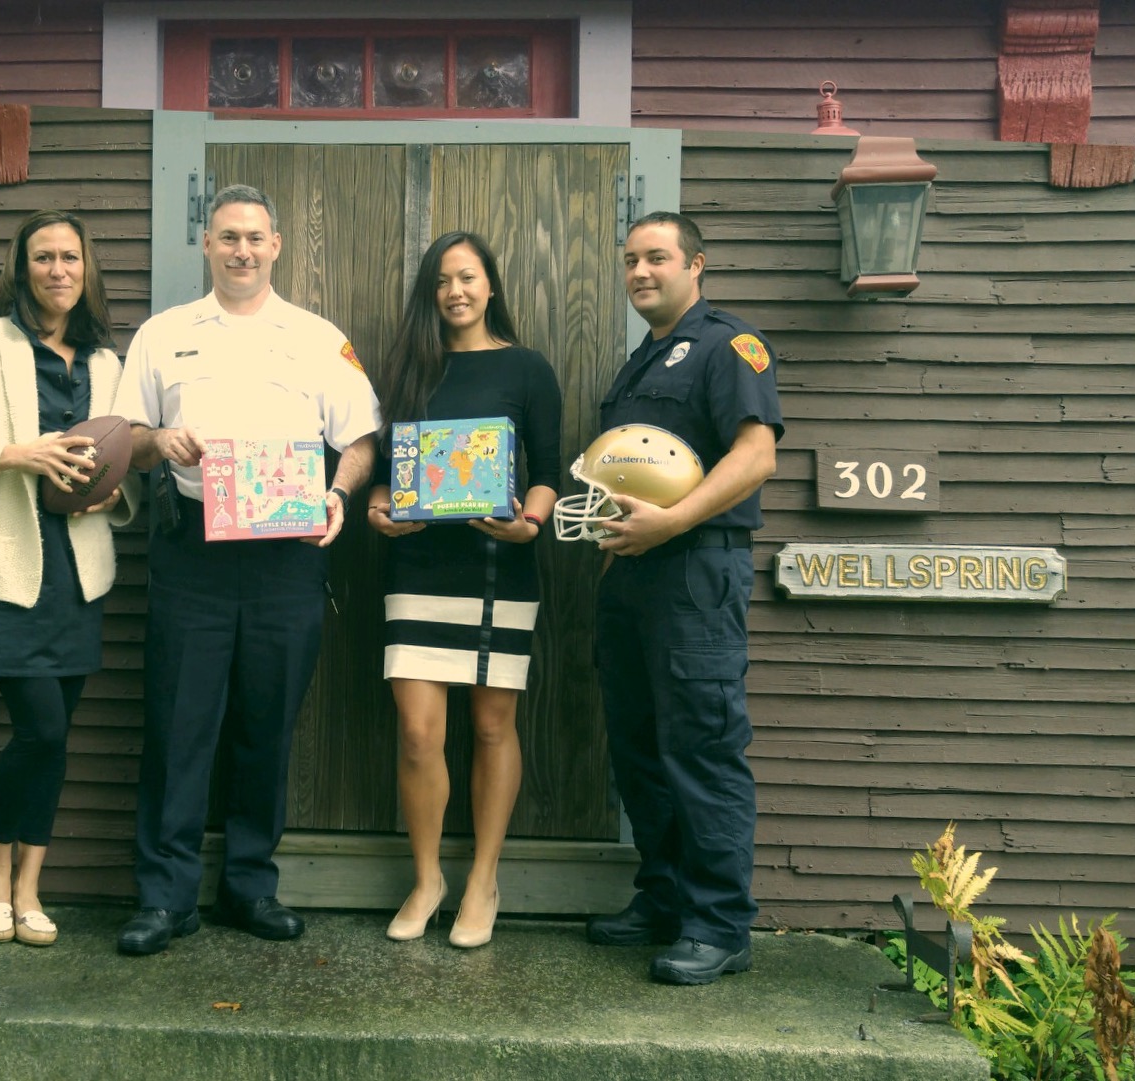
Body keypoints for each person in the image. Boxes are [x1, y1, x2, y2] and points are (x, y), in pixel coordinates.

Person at [111, 184, 381, 956]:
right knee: (178, 724)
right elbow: (126, 431)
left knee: (268, 722)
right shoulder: (164, 335)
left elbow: (361, 435)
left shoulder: (315, 335)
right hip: (192, 545)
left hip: (285, 553)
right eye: (227, 236)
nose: (241, 250)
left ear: (277, 244)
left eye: (255, 237)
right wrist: (160, 442)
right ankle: (164, 899)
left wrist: (337, 493)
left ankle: (250, 885)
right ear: (206, 244)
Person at [0, 209, 137, 948]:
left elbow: (123, 460)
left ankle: (30, 886)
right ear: (22, 267)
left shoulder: (107, 361)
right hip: (4, 567)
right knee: (39, 726)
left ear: (88, 268)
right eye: (43, 257)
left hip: (79, 573)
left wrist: (110, 493)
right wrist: (20, 454)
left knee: (57, 734)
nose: (59, 270)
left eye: (70, 257)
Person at [584, 210, 782, 985]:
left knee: (700, 747)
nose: (640, 271)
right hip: (633, 575)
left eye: (656, 258)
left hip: (696, 569)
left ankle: (720, 923)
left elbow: (756, 453)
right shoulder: (642, 362)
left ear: (696, 264)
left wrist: (669, 523)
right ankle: (664, 896)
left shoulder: (729, 346)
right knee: (640, 749)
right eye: (630, 259)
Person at [364, 232, 561, 949]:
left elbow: (548, 469)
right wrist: (380, 508)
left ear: (491, 285)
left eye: (469, 277)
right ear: (430, 291)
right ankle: (427, 878)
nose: (456, 291)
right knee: (418, 732)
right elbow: (389, 469)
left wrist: (530, 520)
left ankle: (483, 877)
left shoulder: (528, 367)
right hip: (417, 571)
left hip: (496, 568)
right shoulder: (408, 369)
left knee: (490, 727)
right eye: (443, 280)